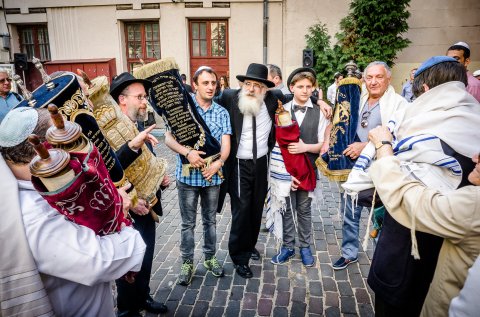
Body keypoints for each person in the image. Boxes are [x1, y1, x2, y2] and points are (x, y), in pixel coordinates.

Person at [0, 107, 146, 317]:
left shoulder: (48, 183)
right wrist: (123, 223)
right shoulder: (33, 213)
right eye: (62, 139)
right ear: (45, 150)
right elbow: (98, 262)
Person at [365, 56, 480, 317]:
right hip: (449, 270)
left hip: (404, 260)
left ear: (425, 91)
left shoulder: (423, 132)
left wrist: (383, 149)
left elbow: (408, 199)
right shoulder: (475, 123)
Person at [332, 61, 406, 270]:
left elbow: (399, 137)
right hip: (353, 165)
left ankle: (381, 257)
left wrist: (364, 146)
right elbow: (343, 120)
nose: (373, 82)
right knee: (349, 209)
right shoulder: (359, 99)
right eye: (369, 77)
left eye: (378, 77)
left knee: (380, 214)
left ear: (388, 79)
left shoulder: (399, 104)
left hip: (381, 165)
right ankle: (349, 252)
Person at [216, 63, 285, 278]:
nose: (251, 88)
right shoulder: (229, 97)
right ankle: (239, 256)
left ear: (265, 88)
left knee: (256, 209)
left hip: (261, 162)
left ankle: (250, 245)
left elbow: (301, 97)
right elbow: (206, 105)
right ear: (242, 84)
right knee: (242, 210)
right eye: (248, 83)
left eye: (257, 85)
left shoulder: (273, 99)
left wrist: (319, 100)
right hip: (238, 163)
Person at [110, 72, 170, 316]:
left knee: (145, 258)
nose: (145, 101)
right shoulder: (108, 130)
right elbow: (109, 169)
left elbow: (143, 167)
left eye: (145, 96)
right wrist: (132, 202)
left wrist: (159, 180)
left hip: (148, 208)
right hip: (126, 212)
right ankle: (127, 310)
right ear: (122, 100)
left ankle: (143, 297)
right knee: (128, 265)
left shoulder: (136, 125)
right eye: (140, 97)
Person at [165, 66, 231, 286]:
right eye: (206, 83)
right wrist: (187, 152)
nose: (211, 87)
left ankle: (211, 258)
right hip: (187, 178)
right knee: (187, 224)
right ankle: (187, 263)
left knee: (210, 221)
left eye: (213, 83)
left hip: (212, 177)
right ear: (195, 85)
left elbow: (226, 145)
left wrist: (219, 163)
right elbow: (168, 139)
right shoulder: (183, 109)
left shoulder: (222, 112)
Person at [270, 67, 329, 267]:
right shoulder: (282, 109)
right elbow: (277, 145)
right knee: (286, 208)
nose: (305, 90)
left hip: (308, 171)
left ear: (314, 89)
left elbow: (323, 143)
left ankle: (305, 247)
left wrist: (306, 147)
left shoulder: (320, 112)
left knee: (304, 209)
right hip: (285, 171)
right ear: (292, 87)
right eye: (300, 86)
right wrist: (285, 175)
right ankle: (287, 247)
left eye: (309, 87)